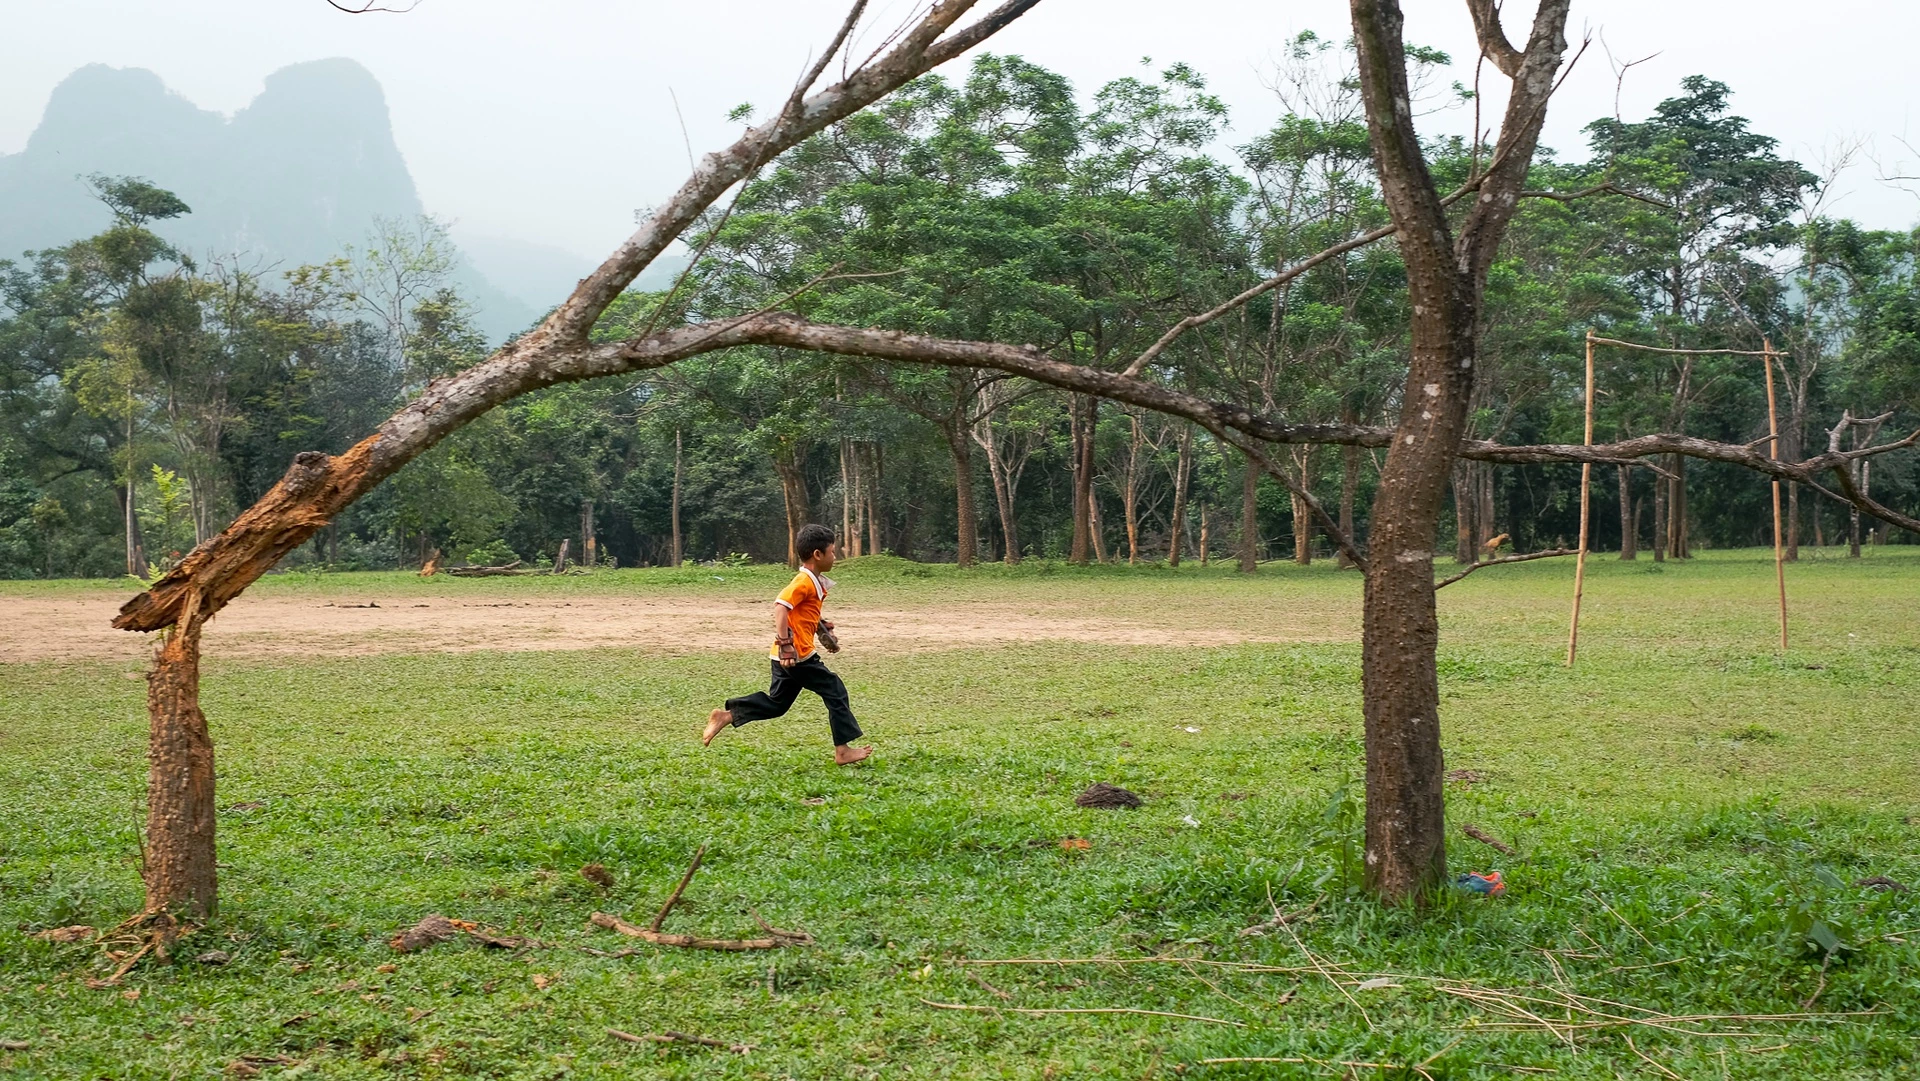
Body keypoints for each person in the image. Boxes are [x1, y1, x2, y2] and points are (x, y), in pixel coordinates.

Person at [703, 523, 873, 765]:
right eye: (832, 551)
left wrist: (823, 629)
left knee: (777, 703)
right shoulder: (803, 581)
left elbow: (803, 615)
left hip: (787, 657)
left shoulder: (814, 581)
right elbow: (781, 606)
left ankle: (728, 715)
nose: (835, 557)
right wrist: (785, 643)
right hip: (798, 656)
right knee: (835, 690)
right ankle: (842, 750)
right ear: (818, 554)